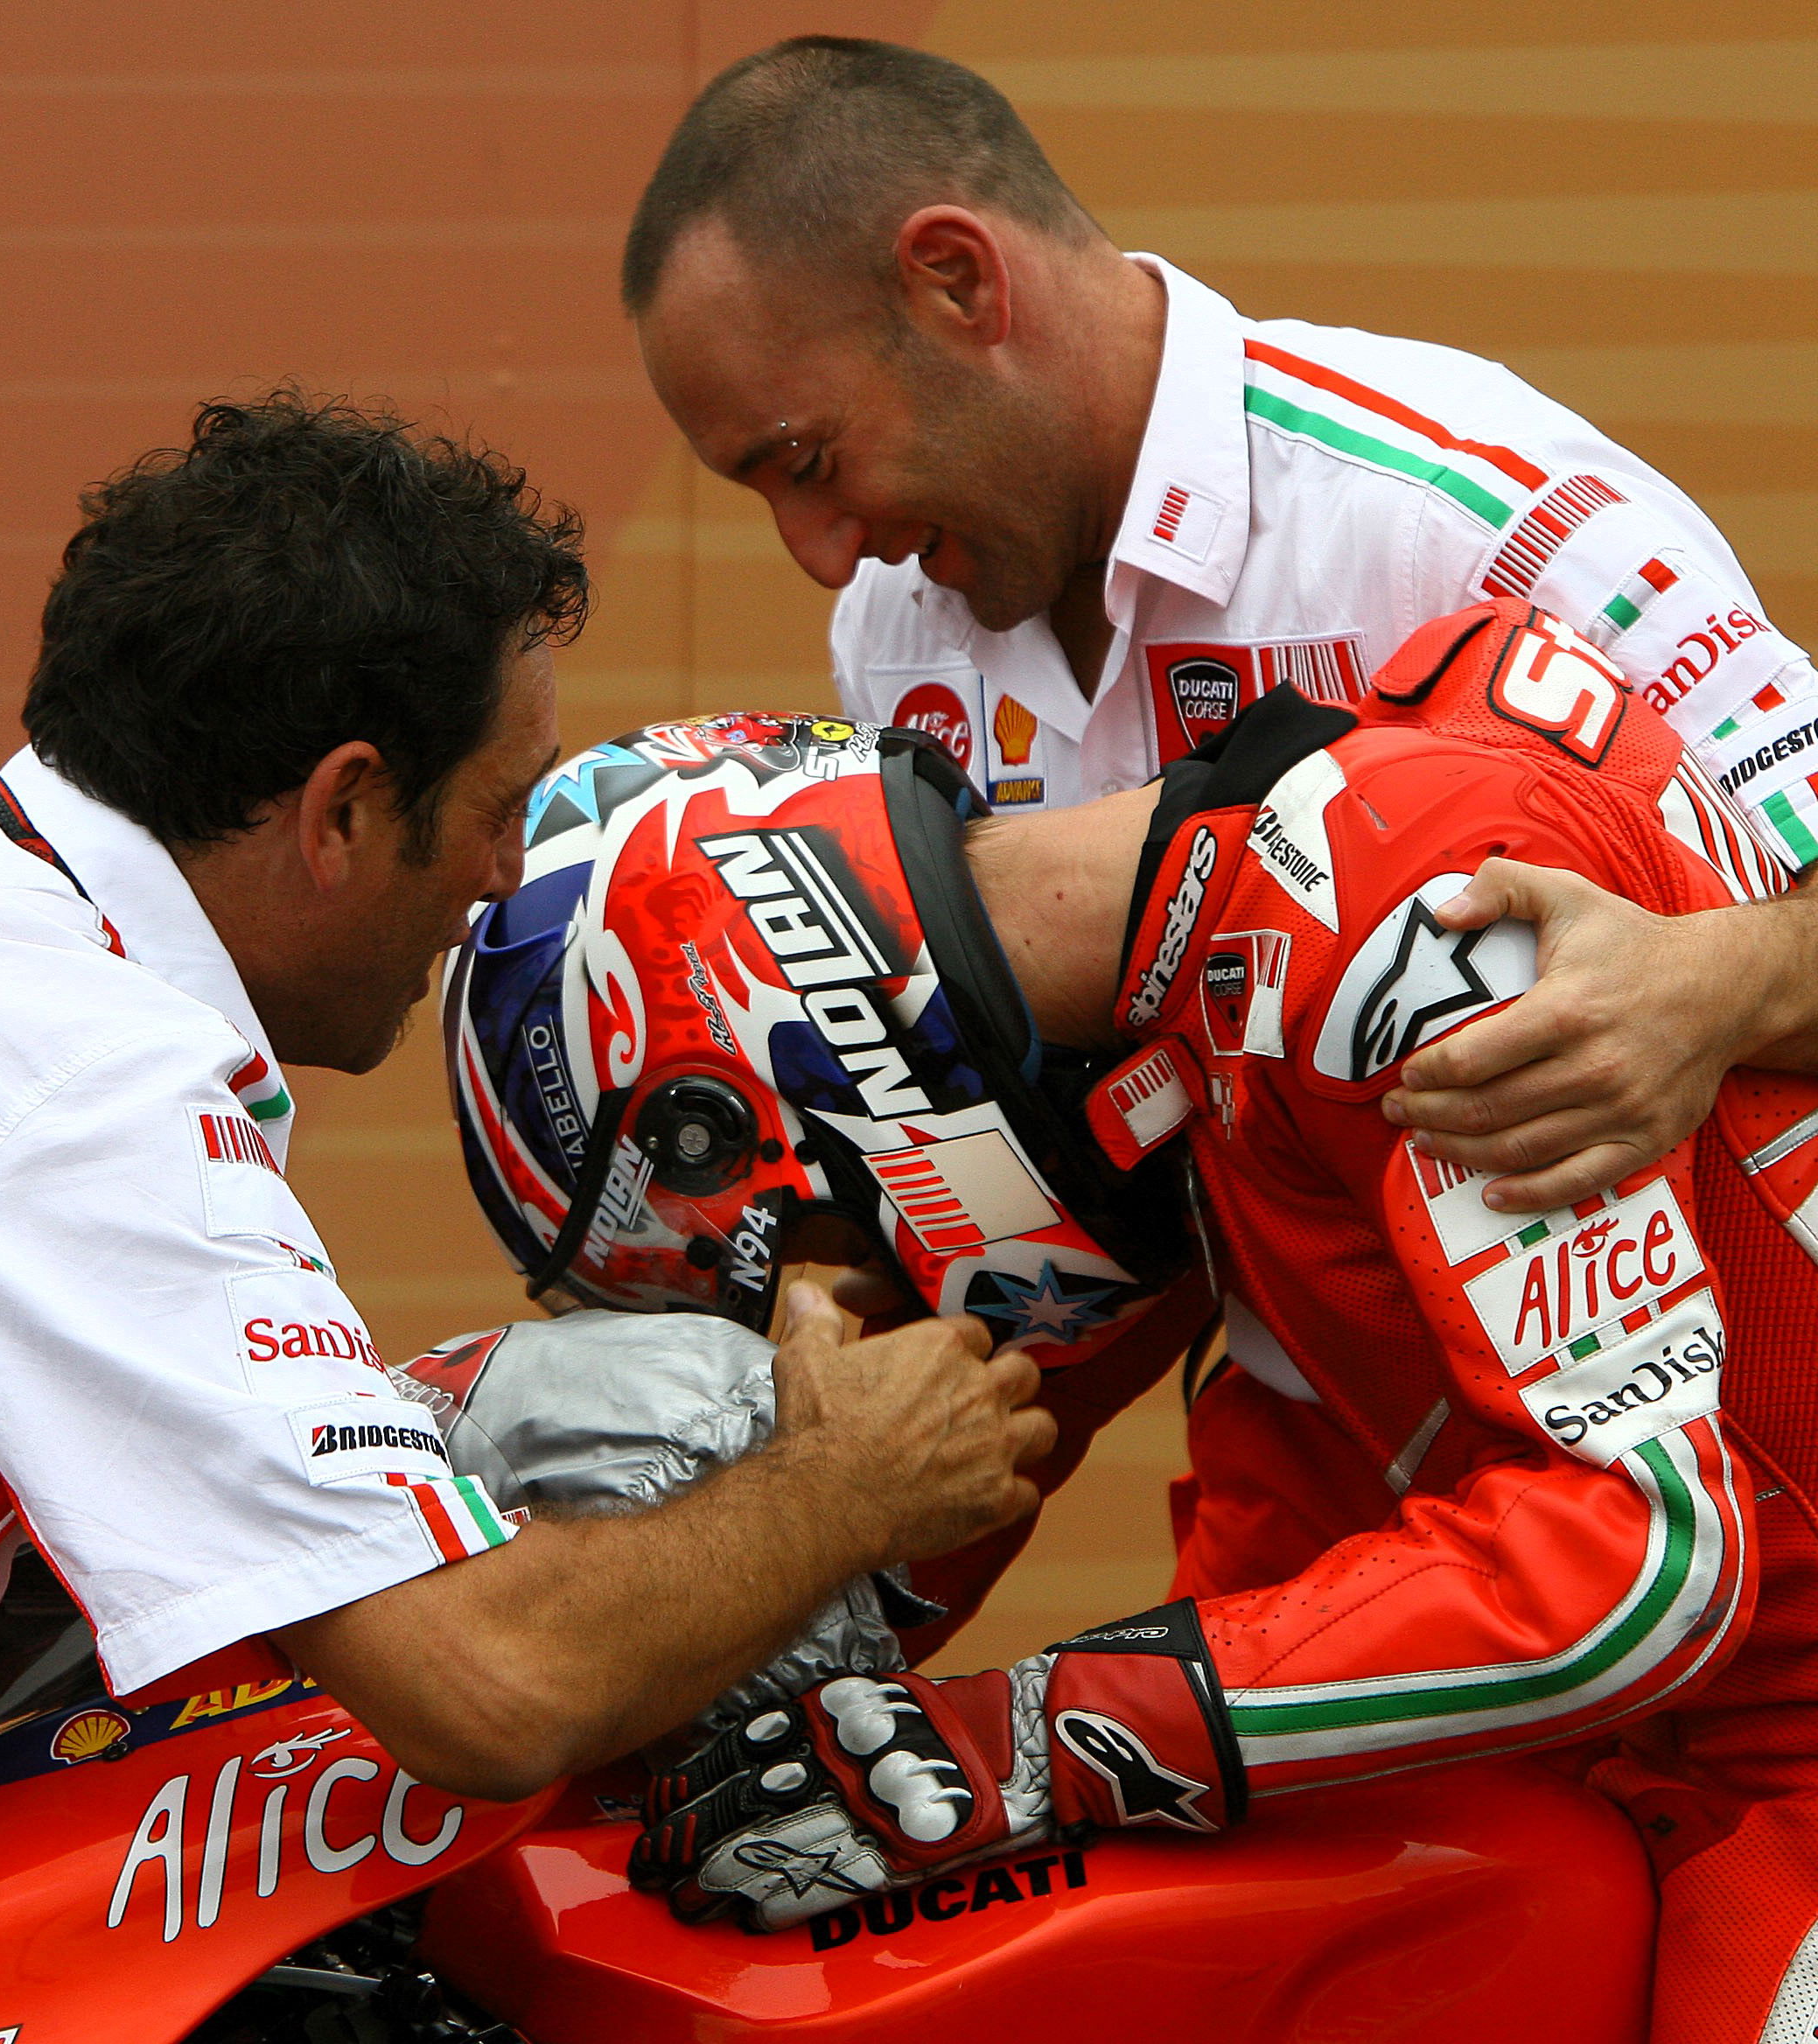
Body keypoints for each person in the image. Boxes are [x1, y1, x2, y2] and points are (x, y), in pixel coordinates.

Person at [455, 606, 1818, 2039]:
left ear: (798, 1074)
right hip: (1671, 1746)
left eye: (815, 1262)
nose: (850, 1317)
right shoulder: (1186, 976)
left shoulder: (1400, 916)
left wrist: (1037, 1737)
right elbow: (971, 1491)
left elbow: (1648, 1558)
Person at [0, 393, 1050, 1892]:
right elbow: (491, 1691)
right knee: (647, 1438)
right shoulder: (83, 1090)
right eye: (502, 809)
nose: (508, 877)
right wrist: (850, 1482)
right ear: (346, 809)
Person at [621, 34, 1818, 1218]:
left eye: (808, 462)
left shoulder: (1462, 515)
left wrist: (1711, 988)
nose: (819, 554)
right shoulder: (891, 625)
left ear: (957, 280)